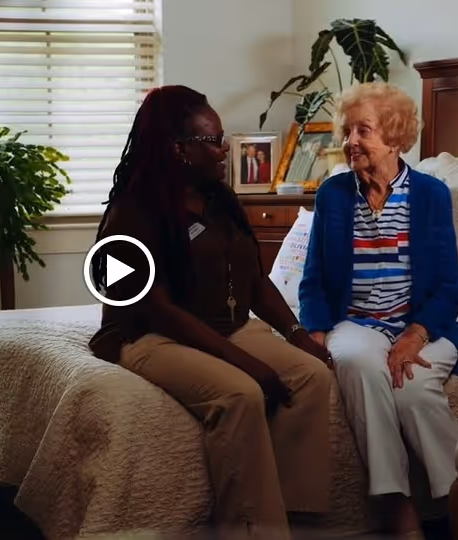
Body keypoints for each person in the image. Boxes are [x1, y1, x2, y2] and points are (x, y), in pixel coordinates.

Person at [88, 85, 333, 540]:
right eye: (215, 141)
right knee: (240, 394)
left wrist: (298, 335)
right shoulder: (132, 210)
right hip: (148, 336)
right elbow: (154, 308)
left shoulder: (221, 198)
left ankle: (291, 515)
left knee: (312, 377)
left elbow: (256, 281)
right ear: (178, 149)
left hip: (229, 326)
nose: (225, 150)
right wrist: (243, 361)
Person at [297, 82, 458, 540]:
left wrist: (415, 334)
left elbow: (448, 286)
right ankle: (396, 505)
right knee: (358, 363)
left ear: (396, 137)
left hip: (419, 321)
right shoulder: (334, 194)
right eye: (348, 131)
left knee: (415, 389)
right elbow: (313, 278)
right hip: (358, 322)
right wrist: (316, 330)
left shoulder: (430, 194)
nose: (351, 142)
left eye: (362, 131)